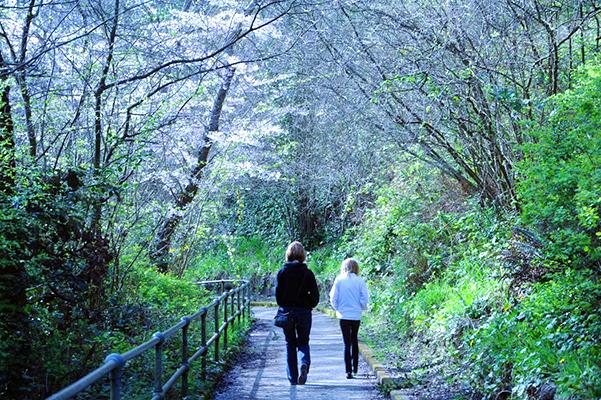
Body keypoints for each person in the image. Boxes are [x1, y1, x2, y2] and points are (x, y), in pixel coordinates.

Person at [275, 241, 320, 385]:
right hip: (304, 312)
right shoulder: (308, 273)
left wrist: (285, 304)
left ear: (288, 254)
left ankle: (292, 378)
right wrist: (308, 305)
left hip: (287, 313)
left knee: (290, 343)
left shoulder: (282, 272)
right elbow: (315, 296)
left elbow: (278, 296)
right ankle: (304, 363)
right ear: (302, 255)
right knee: (303, 341)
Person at [329, 258, 369, 379]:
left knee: (346, 343)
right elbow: (365, 298)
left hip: (343, 315)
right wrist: (361, 308)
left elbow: (333, 297)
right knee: (354, 340)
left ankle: (348, 371)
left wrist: (337, 308)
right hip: (355, 315)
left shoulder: (339, 280)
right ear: (356, 268)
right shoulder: (360, 281)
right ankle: (355, 368)